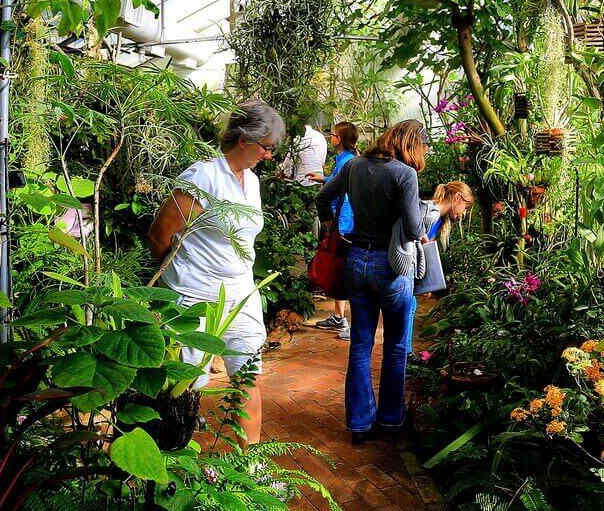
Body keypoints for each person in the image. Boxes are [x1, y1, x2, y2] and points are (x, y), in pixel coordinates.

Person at [147, 100, 286, 445]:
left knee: (248, 377)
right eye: (266, 147)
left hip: (240, 294)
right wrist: (181, 279)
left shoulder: (250, 181)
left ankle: (250, 472)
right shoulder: (202, 177)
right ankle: (175, 474)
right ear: (244, 140)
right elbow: (160, 235)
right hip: (196, 294)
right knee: (184, 388)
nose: (269, 156)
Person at [314, 119, 428, 444]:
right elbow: (413, 228)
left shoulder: (354, 166)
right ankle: (390, 421)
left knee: (361, 343)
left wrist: (334, 228)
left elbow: (323, 198)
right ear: (411, 144)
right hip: (391, 266)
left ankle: (359, 424)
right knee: (395, 345)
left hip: (356, 260)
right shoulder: (405, 174)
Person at [392, 181, 474, 349]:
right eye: (465, 207)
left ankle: (405, 351)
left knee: (409, 307)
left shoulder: (438, 217)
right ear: (457, 198)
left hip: (409, 271)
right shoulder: (430, 212)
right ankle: (404, 353)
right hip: (402, 268)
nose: (464, 213)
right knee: (406, 308)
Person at [307, 122, 359, 340]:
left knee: (348, 273)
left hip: (344, 222)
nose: (330, 137)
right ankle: (339, 317)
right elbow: (339, 183)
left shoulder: (348, 161)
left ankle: (352, 325)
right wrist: (324, 179)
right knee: (341, 269)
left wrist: (331, 224)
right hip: (344, 220)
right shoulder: (347, 160)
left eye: (333, 134)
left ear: (340, 138)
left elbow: (337, 193)